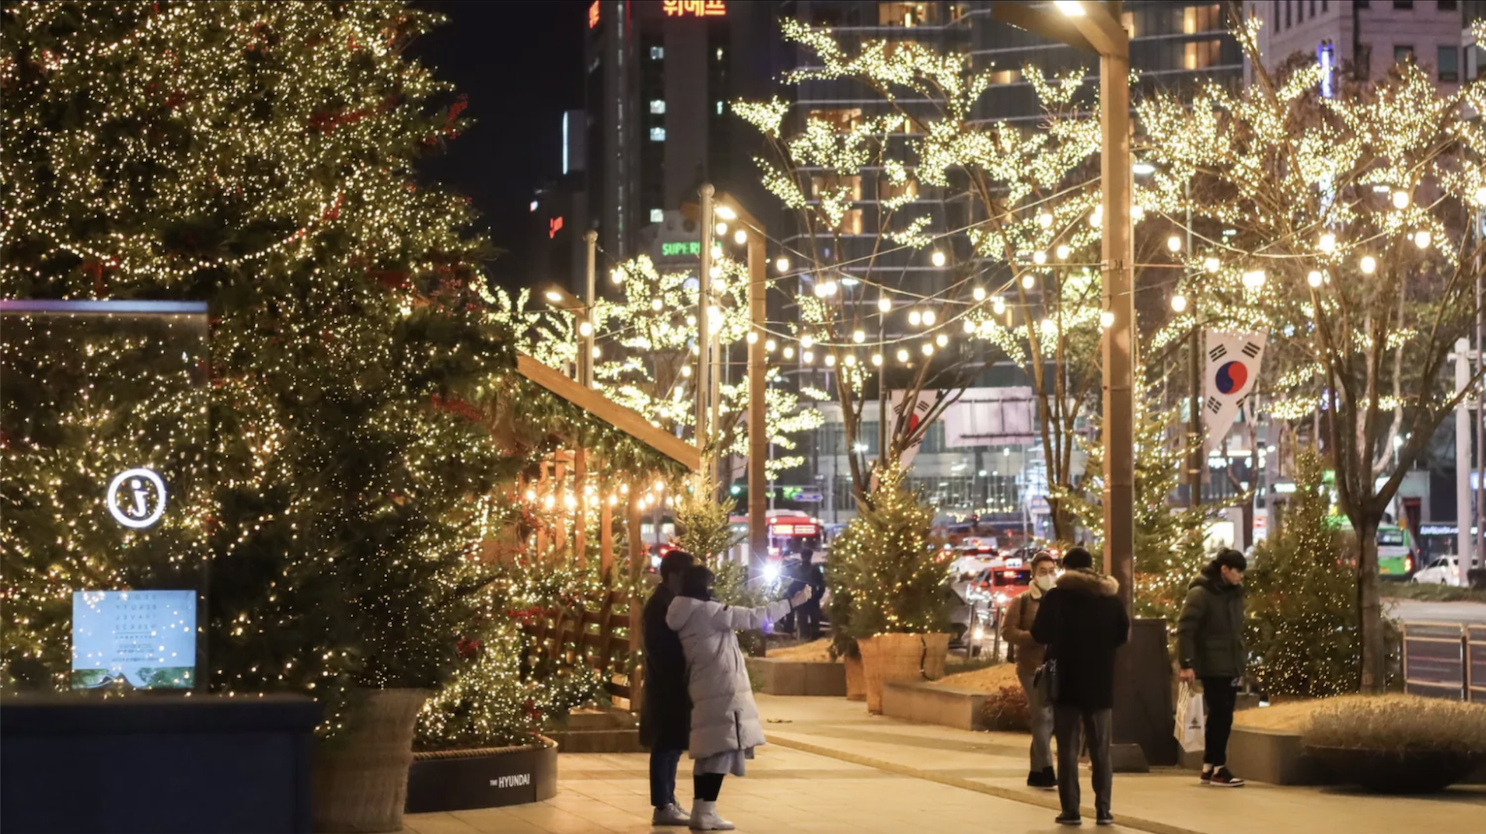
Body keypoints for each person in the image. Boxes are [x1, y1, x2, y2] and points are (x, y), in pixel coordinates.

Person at [667, 564, 813, 831]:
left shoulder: (683, 611)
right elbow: (756, 617)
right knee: (722, 748)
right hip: (723, 688)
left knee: (708, 751)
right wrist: (792, 602)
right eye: (711, 584)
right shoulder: (709, 611)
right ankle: (706, 811)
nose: (715, 589)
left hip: (704, 684)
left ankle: (702, 809)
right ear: (703, 586)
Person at [1031, 546, 1129, 827]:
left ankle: (1071, 810)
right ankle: (1103, 810)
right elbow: (1122, 634)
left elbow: (1040, 633)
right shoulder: (1109, 598)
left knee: (1068, 750)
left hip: (1066, 682)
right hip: (1099, 683)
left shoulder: (1057, 597)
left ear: (1067, 568)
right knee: (1101, 750)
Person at [1177, 548, 1248, 788]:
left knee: (1222, 714)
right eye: (1237, 571)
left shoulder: (1234, 593)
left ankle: (1209, 766)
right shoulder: (1201, 593)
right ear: (1224, 570)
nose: (1240, 576)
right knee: (1221, 714)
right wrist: (1186, 663)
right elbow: (1186, 629)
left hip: (1230, 662)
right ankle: (1219, 767)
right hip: (1212, 663)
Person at [640, 550, 697, 826]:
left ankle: (669, 799)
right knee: (664, 744)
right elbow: (660, 648)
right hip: (665, 684)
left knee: (673, 744)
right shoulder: (659, 605)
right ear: (674, 574)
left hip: (674, 682)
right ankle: (662, 803)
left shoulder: (670, 601)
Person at [1000, 550, 1059, 790]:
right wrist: (1033, 637)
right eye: (1043, 571)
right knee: (1042, 715)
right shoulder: (1022, 601)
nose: (1048, 575)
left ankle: (1035, 772)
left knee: (1047, 719)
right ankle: (1046, 769)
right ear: (1033, 574)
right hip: (1030, 667)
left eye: (1052, 571)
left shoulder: (1060, 599)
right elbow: (1007, 631)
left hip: (1055, 666)